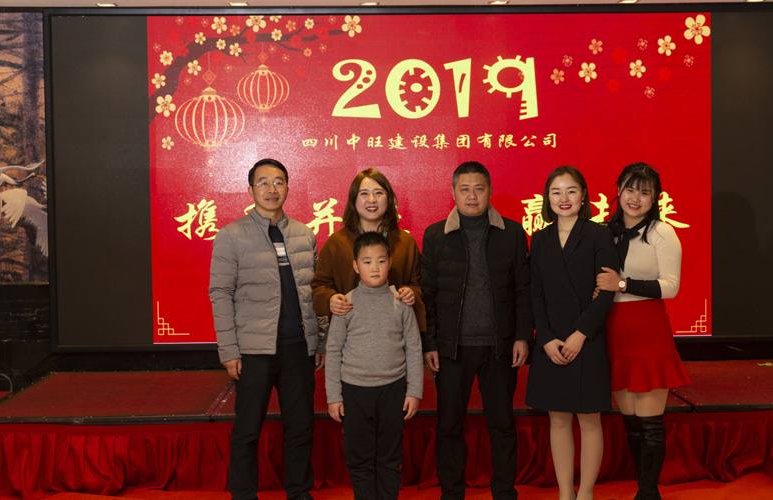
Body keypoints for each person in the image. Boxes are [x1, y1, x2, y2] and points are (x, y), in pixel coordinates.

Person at [209, 158, 324, 500]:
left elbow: (315, 293)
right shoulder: (231, 235)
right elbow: (220, 293)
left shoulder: (304, 234)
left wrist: (319, 341)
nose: (271, 189)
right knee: (247, 430)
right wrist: (229, 350)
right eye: (263, 182)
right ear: (250, 190)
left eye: (278, 182)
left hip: (297, 348)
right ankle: (244, 494)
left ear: (287, 187)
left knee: (301, 428)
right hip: (253, 351)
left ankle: (299, 492)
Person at [420, 161, 534, 500]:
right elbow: (428, 295)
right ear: (453, 193)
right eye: (465, 189)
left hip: (500, 346)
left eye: (479, 189)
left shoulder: (512, 233)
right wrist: (430, 343)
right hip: (451, 348)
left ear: (490, 191)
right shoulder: (435, 235)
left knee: (502, 424)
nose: (472, 196)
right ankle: (452, 493)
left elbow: (523, 291)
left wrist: (522, 337)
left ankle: (504, 492)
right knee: (449, 425)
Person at [595, 162, 690, 500]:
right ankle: (644, 487)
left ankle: (648, 492)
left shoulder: (662, 233)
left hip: (648, 330)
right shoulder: (602, 232)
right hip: (613, 330)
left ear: (655, 198)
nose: (635, 198)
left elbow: (671, 286)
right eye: (630, 190)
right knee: (631, 422)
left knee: (650, 423)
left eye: (644, 192)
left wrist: (622, 284)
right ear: (618, 190)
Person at [524, 166, 618, 500]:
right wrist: (545, 338)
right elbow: (534, 293)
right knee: (559, 420)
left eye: (571, 191)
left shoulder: (598, 234)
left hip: (587, 339)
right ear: (547, 198)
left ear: (583, 196)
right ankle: (566, 493)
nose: (564, 198)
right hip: (552, 341)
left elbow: (606, 291)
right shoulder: (540, 238)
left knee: (589, 420)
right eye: (556, 192)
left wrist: (581, 334)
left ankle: (586, 493)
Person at [325, 231, 424, 500]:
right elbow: (333, 350)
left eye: (381, 261)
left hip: (393, 390)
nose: (375, 267)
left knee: (390, 457)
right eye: (367, 262)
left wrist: (414, 391)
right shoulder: (345, 303)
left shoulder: (402, 303)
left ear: (390, 263)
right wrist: (334, 396)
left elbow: (414, 347)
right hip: (354, 392)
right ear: (356, 266)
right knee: (359, 458)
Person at [311, 168, 423, 334]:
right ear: (353, 199)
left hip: (396, 335)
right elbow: (319, 286)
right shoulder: (336, 243)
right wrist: (330, 300)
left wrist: (411, 293)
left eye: (378, 193)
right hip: (350, 336)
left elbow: (419, 285)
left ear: (389, 199)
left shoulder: (406, 242)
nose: (372, 200)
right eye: (364, 193)